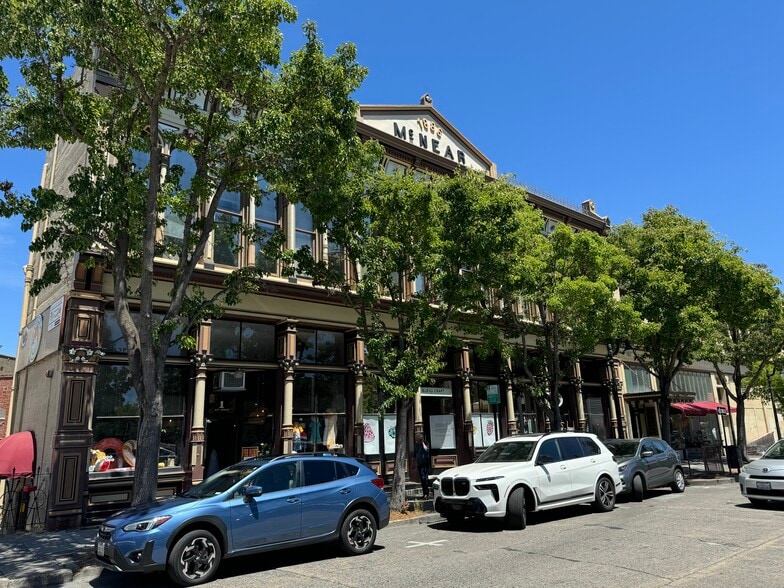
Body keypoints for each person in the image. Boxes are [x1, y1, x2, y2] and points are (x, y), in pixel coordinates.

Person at [415, 433, 431, 498]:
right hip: (420, 464)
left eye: (417, 439)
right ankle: (424, 493)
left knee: (425, 478)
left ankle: (427, 494)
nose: (416, 440)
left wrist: (422, 443)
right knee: (422, 479)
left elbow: (426, 449)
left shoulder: (426, 443)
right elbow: (415, 453)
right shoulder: (416, 445)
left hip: (425, 464)